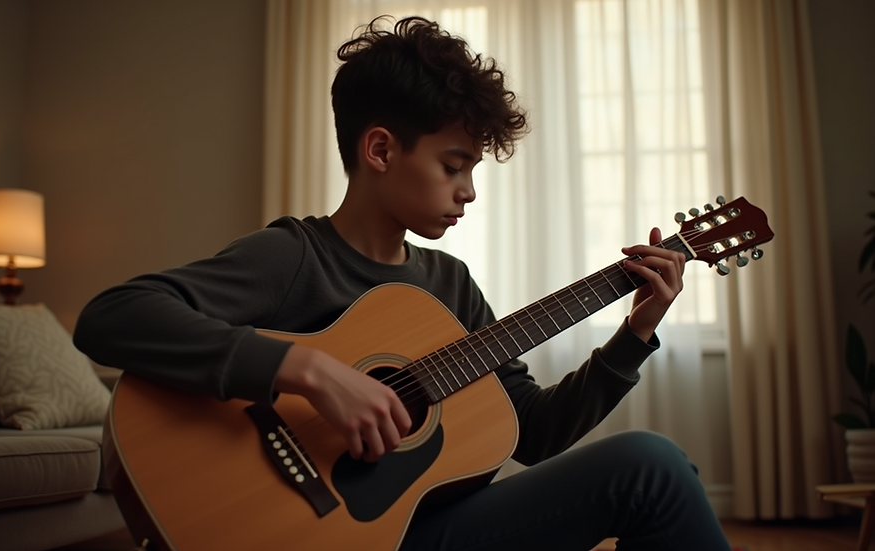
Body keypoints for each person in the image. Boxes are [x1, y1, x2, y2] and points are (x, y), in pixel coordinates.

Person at [73, 15, 731, 551]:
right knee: (658, 466)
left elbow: (530, 432)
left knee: (651, 466)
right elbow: (113, 315)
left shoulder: (451, 284)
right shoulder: (295, 256)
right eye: (454, 165)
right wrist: (309, 371)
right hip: (326, 535)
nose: (470, 191)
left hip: (435, 530)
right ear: (381, 150)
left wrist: (635, 330)